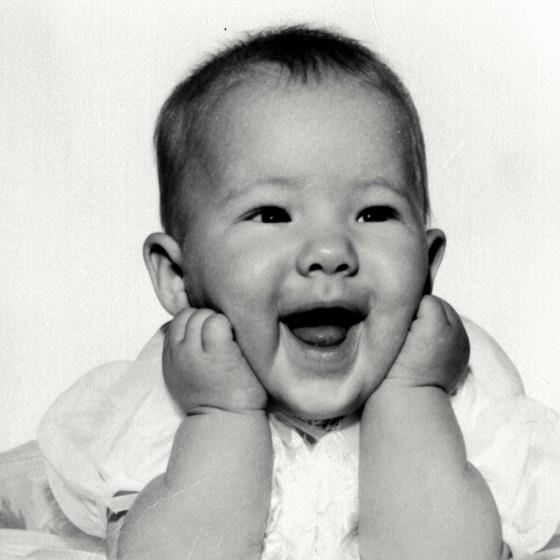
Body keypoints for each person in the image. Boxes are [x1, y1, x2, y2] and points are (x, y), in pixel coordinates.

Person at [37, 25, 560, 560]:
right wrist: (219, 416)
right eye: (271, 214)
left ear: (425, 266)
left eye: (374, 213)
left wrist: (414, 397)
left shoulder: (463, 397)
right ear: (177, 274)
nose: (330, 250)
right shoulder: (161, 404)